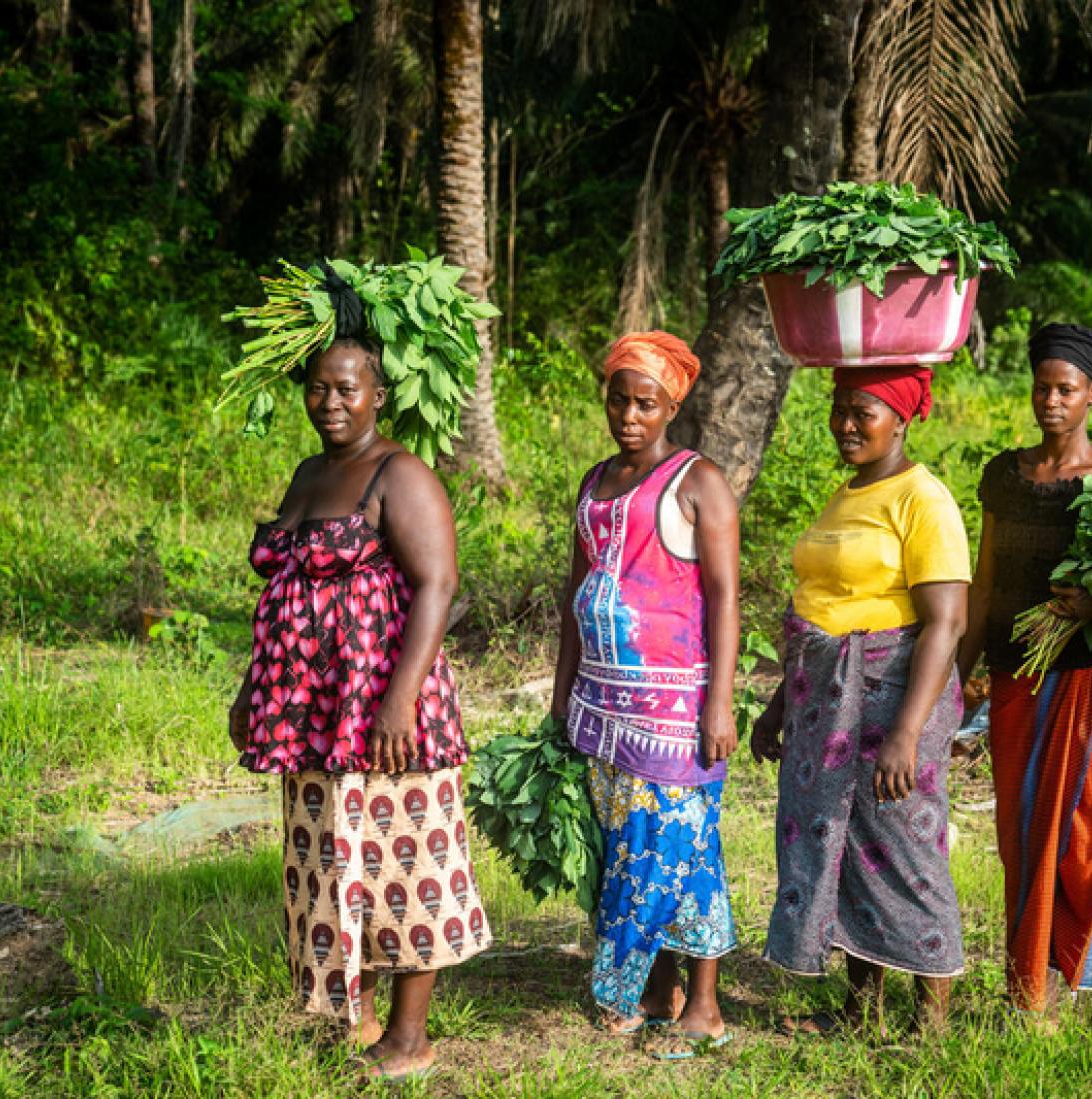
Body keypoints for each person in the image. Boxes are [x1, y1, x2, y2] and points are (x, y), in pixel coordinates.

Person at [227, 276, 490, 1079]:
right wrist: (253, 690)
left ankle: (410, 1039)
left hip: (383, 707)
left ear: (380, 392)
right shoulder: (309, 474)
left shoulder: (399, 473)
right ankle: (356, 1015)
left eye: (347, 387)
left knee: (406, 858)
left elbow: (438, 586)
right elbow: (280, 591)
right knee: (331, 856)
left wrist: (399, 699)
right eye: (318, 386)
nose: (330, 400)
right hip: (310, 710)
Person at [752, 365, 969, 1037]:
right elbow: (826, 602)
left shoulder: (923, 498)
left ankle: (931, 1021)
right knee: (842, 849)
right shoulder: (847, 494)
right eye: (839, 409)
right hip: (827, 695)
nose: (846, 423)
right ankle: (861, 1009)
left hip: (891, 696)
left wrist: (905, 733)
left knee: (906, 849)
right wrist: (779, 703)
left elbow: (947, 621)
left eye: (863, 412)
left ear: (902, 419)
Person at [550, 331, 742, 1060]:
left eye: (646, 402)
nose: (629, 414)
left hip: (674, 709)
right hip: (603, 706)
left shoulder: (698, 481)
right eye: (618, 399)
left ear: (672, 406)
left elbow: (724, 599)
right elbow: (574, 595)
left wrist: (718, 703)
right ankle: (660, 989)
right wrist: (564, 695)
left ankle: (699, 1002)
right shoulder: (594, 482)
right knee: (626, 851)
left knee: (680, 851)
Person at [957, 322, 1092, 1028]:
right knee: (1024, 837)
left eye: (1065, 389)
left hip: (1089, 684)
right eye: (1041, 387)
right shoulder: (1006, 476)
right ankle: (1031, 997)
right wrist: (956, 677)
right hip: (1014, 682)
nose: (1050, 401)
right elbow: (985, 579)